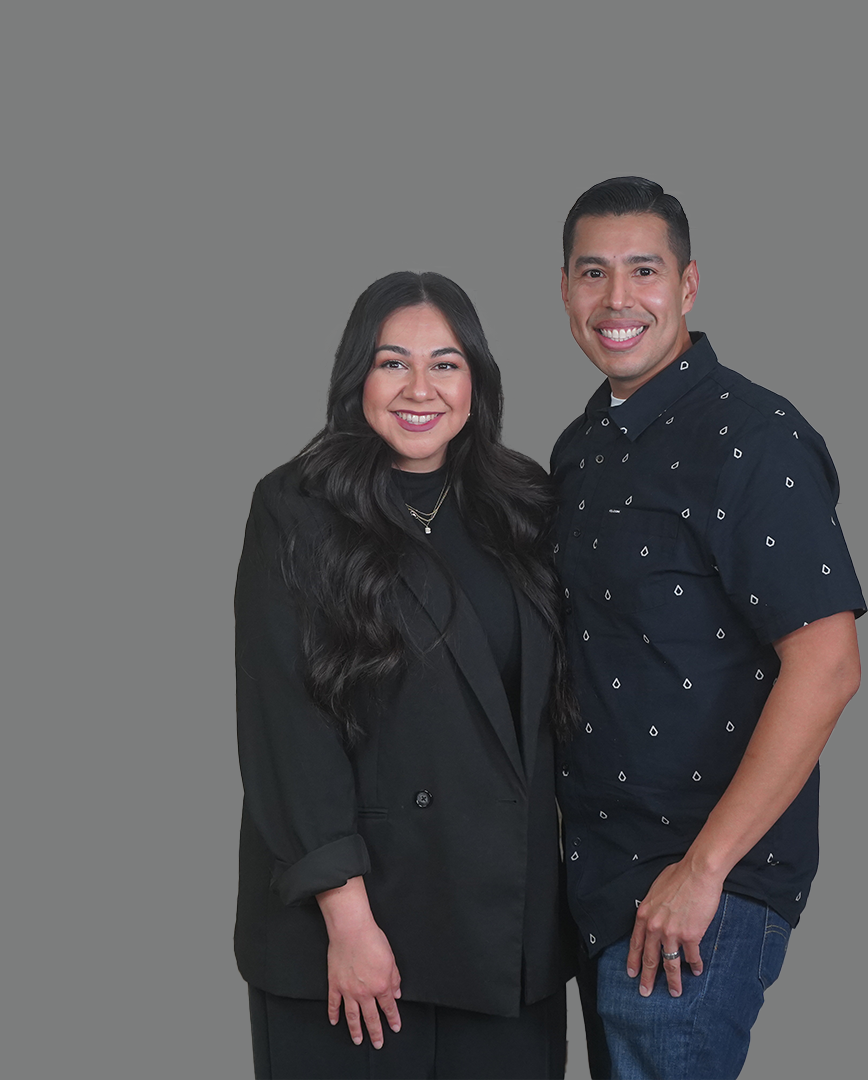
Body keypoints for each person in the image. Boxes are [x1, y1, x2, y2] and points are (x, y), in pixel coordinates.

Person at [551, 178, 866, 1080]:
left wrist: (703, 871)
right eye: (593, 274)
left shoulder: (754, 437)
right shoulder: (582, 448)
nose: (618, 301)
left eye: (643, 271)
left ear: (688, 287)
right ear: (565, 291)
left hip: (699, 895)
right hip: (603, 885)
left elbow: (830, 664)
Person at [234, 271, 576, 1080]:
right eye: (393, 363)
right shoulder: (296, 506)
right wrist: (349, 924)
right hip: (348, 936)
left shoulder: (523, 502)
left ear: (476, 381)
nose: (420, 389)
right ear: (357, 377)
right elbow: (286, 727)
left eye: (446, 363)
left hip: (502, 929)